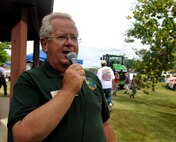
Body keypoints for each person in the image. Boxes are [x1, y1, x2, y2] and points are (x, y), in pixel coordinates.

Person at [7, 12, 117, 142]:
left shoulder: (92, 78)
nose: (70, 43)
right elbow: (21, 136)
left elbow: (105, 124)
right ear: (45, 44)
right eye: (62, 37)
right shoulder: (30, 79)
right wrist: (67, 91)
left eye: (74, 37)